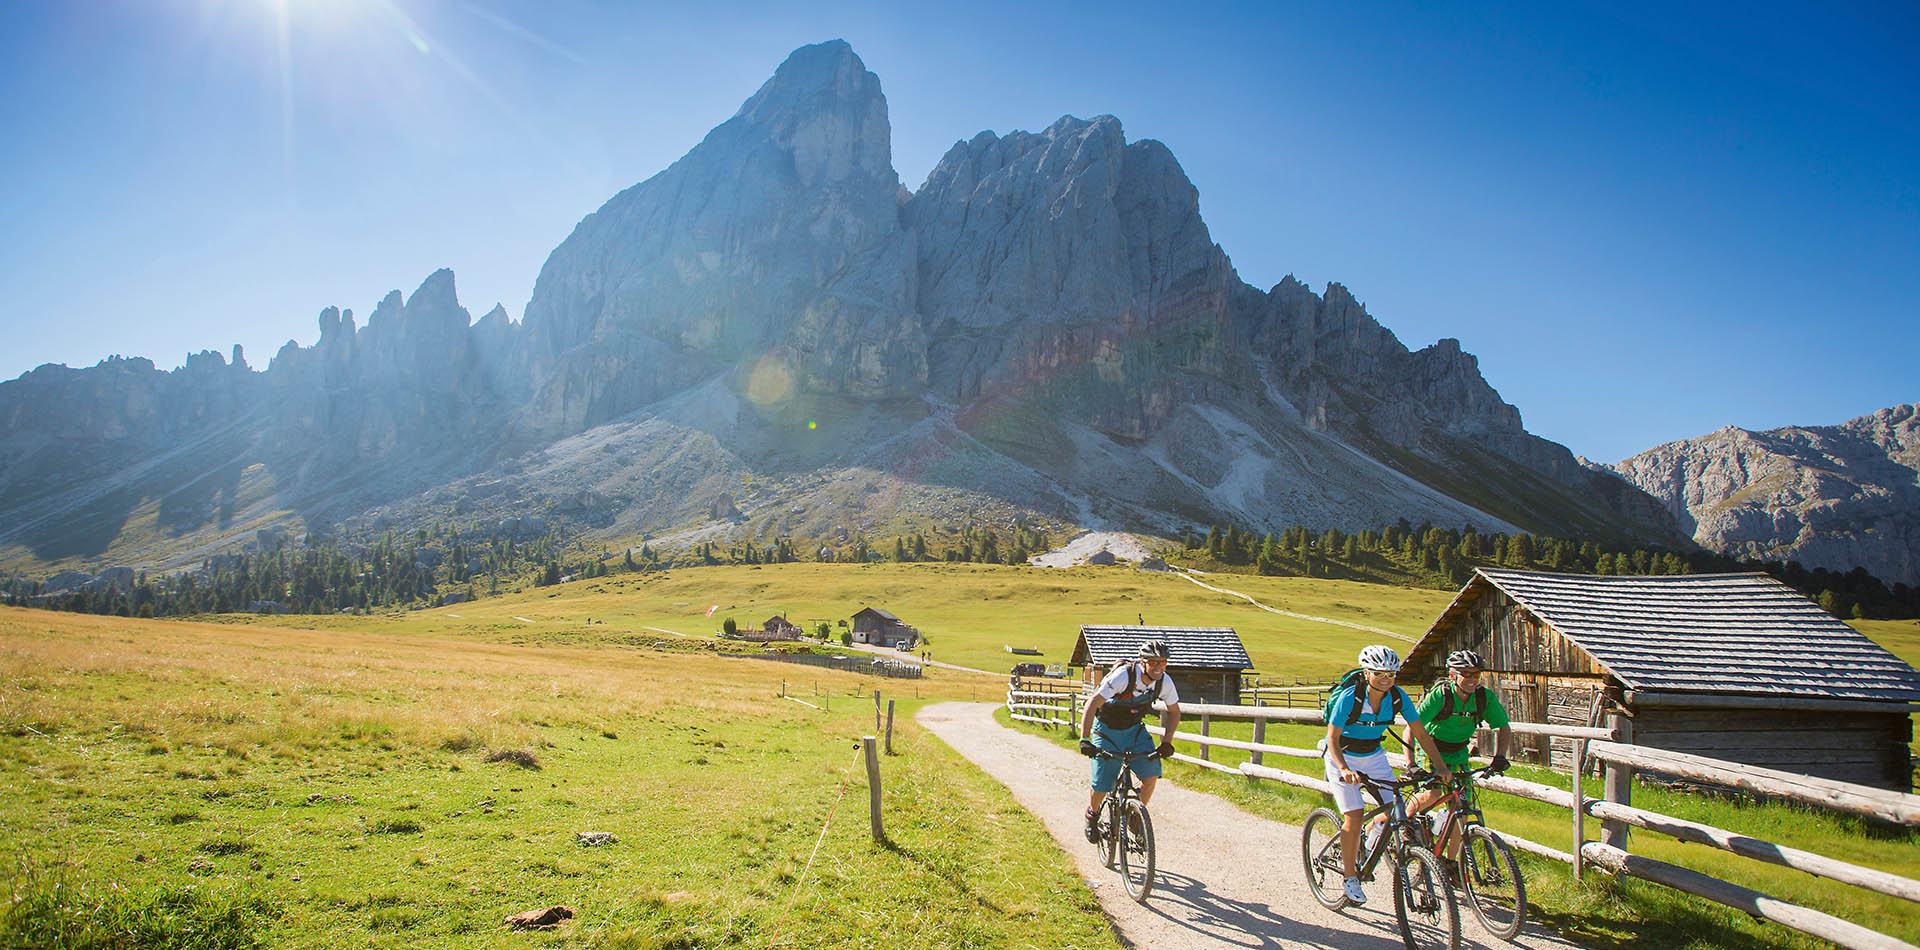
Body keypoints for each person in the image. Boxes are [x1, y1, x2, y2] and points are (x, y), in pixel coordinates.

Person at [1324, 644, 1451, 906]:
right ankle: (1350, 878)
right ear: (1366, 673)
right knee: (1354, 814)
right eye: (1380, 674)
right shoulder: (1350, 697)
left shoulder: (1398, 697)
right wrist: (1345, 769)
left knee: (1396, 806)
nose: (1386, 680)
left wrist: (1440, 766)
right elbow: (1332, 738)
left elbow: (1421, 733)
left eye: (1391, 675)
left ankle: (1368, 842)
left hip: (1374, 755)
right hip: (1342, 754)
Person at [1402, 649, 1513, 873]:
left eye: (1476, 674)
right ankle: (1406, 821)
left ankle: (1450, 863)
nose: (1472, 679)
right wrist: (1411, 763)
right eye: (1466, 674)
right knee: (1433, 794)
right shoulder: (1440, 695)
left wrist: (1500, 757)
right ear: (1453, 675)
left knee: (1461, 808)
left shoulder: (1484, 697)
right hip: (1431, 750)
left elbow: (1503, 727)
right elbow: (1411, 728)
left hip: (1459, 753)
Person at [1078, 640, 1182, 843]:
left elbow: (1175, 712)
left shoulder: (1164, 682)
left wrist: (1167, 742)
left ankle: (1135, 817)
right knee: (1101, 785)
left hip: (1134, 731)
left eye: (1163, 663)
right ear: (1142, 662)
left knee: (1152, 774)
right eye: (1154, 663)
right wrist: (1085, 738)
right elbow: (1093, 703)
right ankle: (1093, 814)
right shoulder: (1123, 676)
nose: (1159, 668)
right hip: (1106, 731)